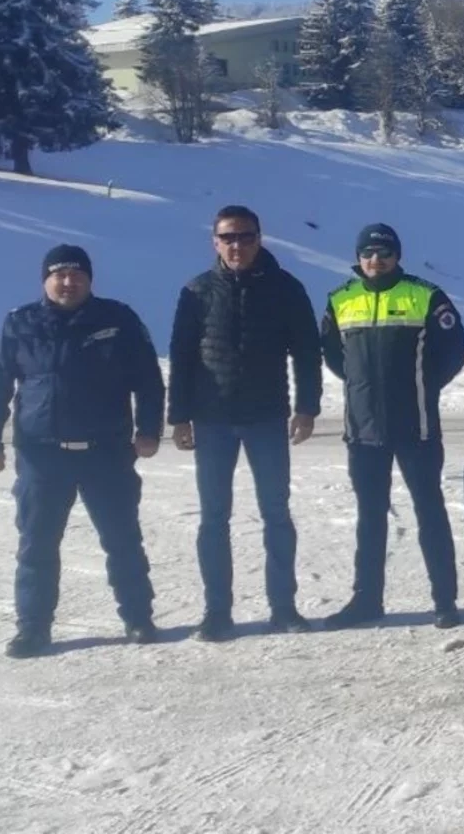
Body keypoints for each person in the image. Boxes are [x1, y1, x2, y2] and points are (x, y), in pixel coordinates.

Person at [0, 246, 163, 658]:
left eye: (77, 274)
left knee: (122, 539)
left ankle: (138, 617)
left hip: (107, 453)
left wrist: (149, 430)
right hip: (43, 456)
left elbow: (149, 379)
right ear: (45, 280)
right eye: (59, 275)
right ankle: (33, 629)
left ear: (90, 280)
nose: (68, 282)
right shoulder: (19, 323)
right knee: (37, 544)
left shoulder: (117, 319)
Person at [168, 205, 323, 641]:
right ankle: (217, 611)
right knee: (214, 518)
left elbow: (308, 353)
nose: (238, 245)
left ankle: (283, 607)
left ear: (260, 238)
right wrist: (178, 415)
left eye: (246, 236)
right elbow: (180, 356)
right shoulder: (197, 291)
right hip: (212, 419)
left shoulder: (286, 289)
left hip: (266, 418)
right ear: (215, 242)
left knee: (275, 513)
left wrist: (307, 407)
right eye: (229, 237)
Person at [319, 223, 464, 630]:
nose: (376, 260)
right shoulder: (340, 300)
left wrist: (424, 385)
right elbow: (335, 357)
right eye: (368, 253)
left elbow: (454, 351)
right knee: (370, 516)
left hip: (416, 426)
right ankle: (367, 601)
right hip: (364, 430)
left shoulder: (425, 295)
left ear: (397, 255)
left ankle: (444, 601)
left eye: (384, 253)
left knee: (429, 511)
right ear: (358, 256)